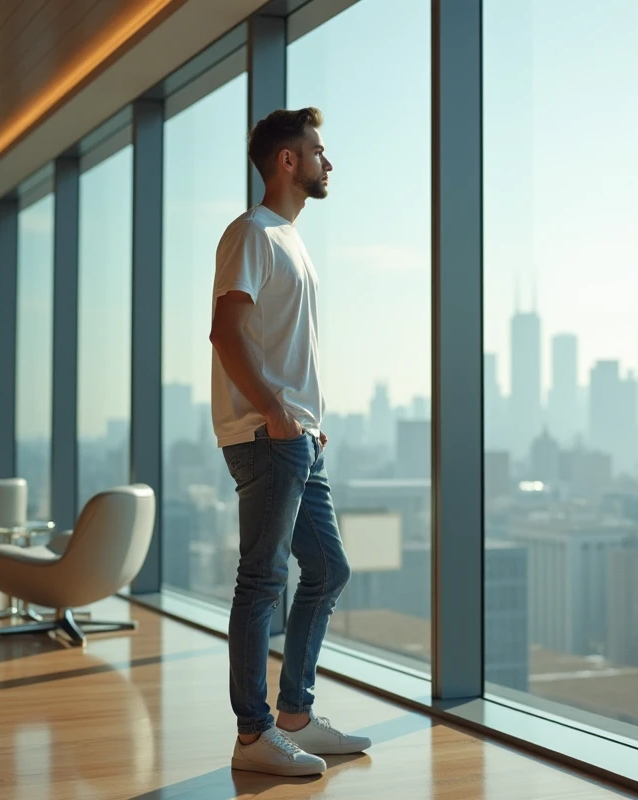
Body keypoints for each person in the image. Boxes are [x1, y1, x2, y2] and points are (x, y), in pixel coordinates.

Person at [209, 107, 371, 777]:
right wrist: (276, 410)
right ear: (287, 161)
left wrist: (301, 414)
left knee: (328, 569)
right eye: (317, 151)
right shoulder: (252, 233)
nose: (326, 162)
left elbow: (281, 343)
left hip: (297, 436)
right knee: (263, 580)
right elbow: (227, 332)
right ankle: (254, 735)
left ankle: (295, 715)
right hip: (267, 435)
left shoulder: (289, 240)